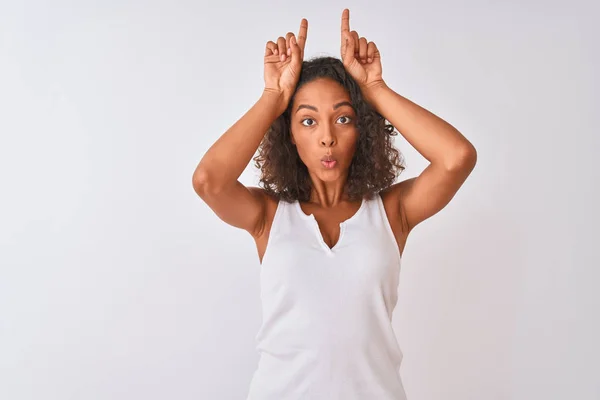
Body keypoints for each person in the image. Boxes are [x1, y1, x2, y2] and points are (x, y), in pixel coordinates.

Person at [192, 8, 477, 400]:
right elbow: (208, 181)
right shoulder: (268, 217)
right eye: (308, 121)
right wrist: (273, 97)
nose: (327, 137)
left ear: (362, 128)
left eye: (343, 119)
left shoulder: (391, 213)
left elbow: (457, 157)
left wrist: (375, 91)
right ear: (289, 133)